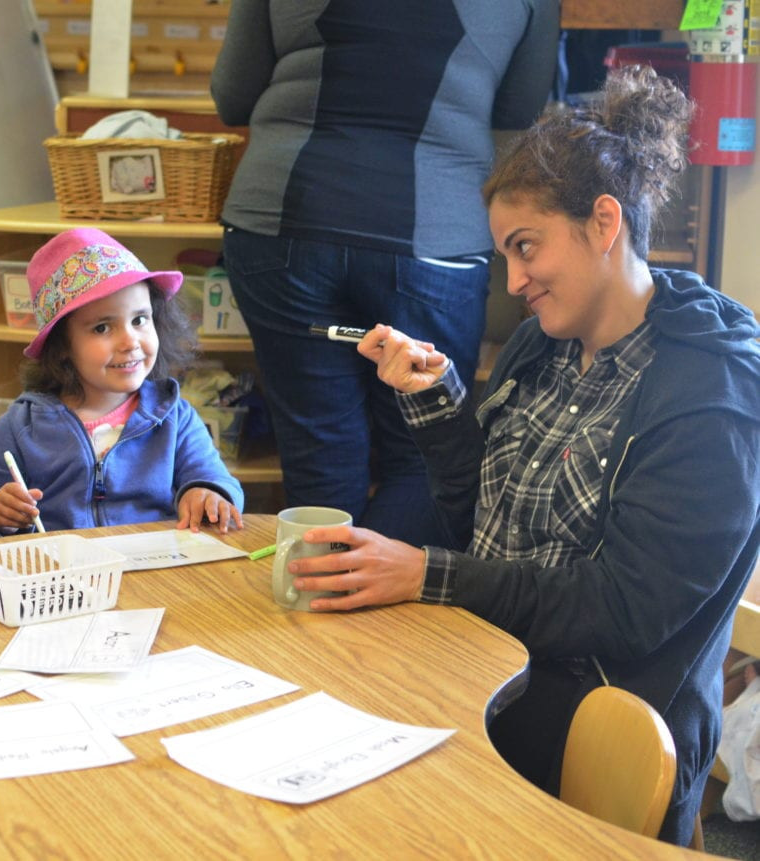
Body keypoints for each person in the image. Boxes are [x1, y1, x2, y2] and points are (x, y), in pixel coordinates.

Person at [283, 66, 760, 846]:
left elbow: (623, 609)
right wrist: (433, 402)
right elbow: (482, 515)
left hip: (580, 747)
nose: (514, 279)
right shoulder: (546, 343)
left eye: (526, 246)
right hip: (489, 685)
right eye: (505, 252)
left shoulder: (714, 393)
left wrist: (427, 573)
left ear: (604, 222)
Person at [210, 0, 559, 545]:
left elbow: (233, 95)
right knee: (423, 452)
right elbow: (516, 108)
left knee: (319, 447)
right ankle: (383, 619)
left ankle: (320, 602)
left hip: (284, 224)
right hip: (434, 240)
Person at [0, 228, 245, 535]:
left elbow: (218, 480)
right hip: (64, 576)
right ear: (63, 346)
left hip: (156, 573)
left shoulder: (175, 417)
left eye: (139, 320)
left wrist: (207, 493)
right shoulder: (19, 428)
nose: (130, 341)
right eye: (101, 328)